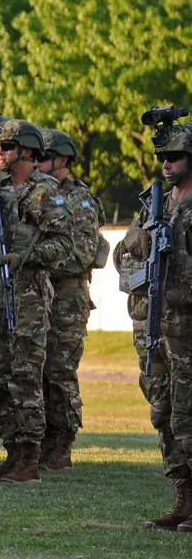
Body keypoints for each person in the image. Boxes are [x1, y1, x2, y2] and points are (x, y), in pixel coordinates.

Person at [0, 118, 73, 484]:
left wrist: (24, 257)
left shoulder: (45, 192)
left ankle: (29, 457)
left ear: (27, 151)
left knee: (26, 378)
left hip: (27, 297)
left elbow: (65, 245)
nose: (0, 152)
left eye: (7, 146)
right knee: (1, 378)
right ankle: (12, 452)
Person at [117, 120, 192, 530]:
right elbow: (121, 257)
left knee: (187, 416)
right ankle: (183, 498)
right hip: (154, 326)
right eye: (162, 156)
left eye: (174, 156)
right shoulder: (154, 204)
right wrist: (138, 244)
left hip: (186, 328)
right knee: (161, 413)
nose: (165, 164)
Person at [38, 128, 106, 472]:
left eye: (43, 156)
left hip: (67, 296)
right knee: (37, 370)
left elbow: (83, 254)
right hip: (39, 294)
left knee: (60, 371)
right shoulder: (38, 194)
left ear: (62, 159)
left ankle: (62, 444)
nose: (36, 162)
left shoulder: (79, 199)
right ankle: (42, 440)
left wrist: (37, 259)